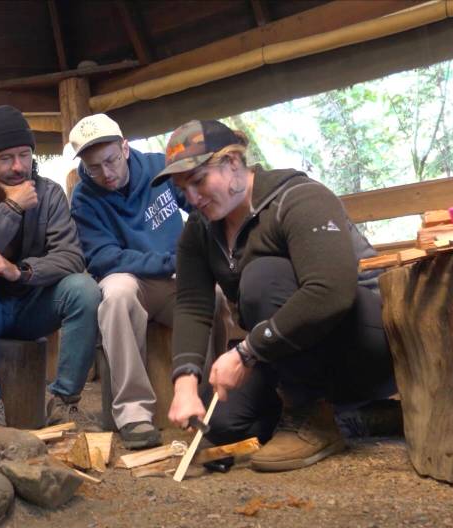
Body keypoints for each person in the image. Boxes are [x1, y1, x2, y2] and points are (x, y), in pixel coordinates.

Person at [158, 119, 396, 472]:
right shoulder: (199, 230)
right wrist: (184, 384)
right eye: (183, 188)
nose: (192, 198)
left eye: (198, 181)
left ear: (234, 163)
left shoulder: (298, 197)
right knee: (223, 425)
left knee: (262, 278)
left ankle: (311, 417)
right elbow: (192, 304)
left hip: (363, 340)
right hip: (284, 347)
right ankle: (359, 415)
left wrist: (245, 352)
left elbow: (329, 291)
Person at [0, 105, 101, 428]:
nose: (19, 166)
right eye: (6, 158)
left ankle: (64, 401)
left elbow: (71, 257)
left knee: (84, 289)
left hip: (33, 307)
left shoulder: (50, 194)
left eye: (25, 155)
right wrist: (12, 208)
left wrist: (22, 271)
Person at [69, 113, 188, 449]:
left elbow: (199, 202)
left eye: (110, 160)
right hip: (134, 280)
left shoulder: (159, 168)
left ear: (125, 147)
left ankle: (207, 401)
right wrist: (167, 262)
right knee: (116, 294)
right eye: (94, 167)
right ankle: (134, 413)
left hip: (175, 277)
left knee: (216, 298)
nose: (105, 174)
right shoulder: (83, 199)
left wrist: (202, 255)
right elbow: (105, 258)